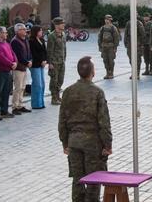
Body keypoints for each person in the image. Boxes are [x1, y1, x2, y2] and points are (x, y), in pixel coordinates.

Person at [58, 57, 113, 202]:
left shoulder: (68, 92)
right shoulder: (97, 92)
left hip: (74, 142)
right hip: (93, 144)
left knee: (77, 180)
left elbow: (62, 121)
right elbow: (104, 122)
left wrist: (65, 143)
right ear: (92, 72)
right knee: (94, 181)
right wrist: (107, 145)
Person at [0, 27, 16, 118]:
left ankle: (4, 111)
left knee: (6, 91)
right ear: (0, 33)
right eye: (5, 32)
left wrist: (15, 62)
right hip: (1, 71)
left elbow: (13, 53)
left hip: (8, 71)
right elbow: (0, 57)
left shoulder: (6, 43)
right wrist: (11, 64)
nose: (7, 34)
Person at [10, 23, 32, 114]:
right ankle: (15, 106)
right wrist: (27, 62)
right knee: (18, 87)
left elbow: (28, 52)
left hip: (24, 67)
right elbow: (18, 56)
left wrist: (30, 60)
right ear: (17, 31)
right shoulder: (15, 41)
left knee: (23, 87)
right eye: (23, 29)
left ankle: (20, 104)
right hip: (18, 67)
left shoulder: (25, 39)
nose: (25, 30)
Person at [47, 17, 68, 105]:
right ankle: (54, 98)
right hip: (54, 62)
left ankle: (58, 96)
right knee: (54, 80)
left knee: (60, 79)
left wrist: (64, 58)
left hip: (61, 61)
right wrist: (50, 63)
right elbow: (49, 50)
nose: (63, 25)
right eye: (61, 23)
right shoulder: (51, 36)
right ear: (56, 25)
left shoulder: (63, 34)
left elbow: (64, 48)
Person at [96, 15, 121, 79]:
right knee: (105, 60)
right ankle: (107, 72)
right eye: (105, 19)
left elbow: (116, 38)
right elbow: (100, 38)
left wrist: (115, 47)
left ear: (110, 20)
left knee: (111, 60)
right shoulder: (103, 28)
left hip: (111, 47)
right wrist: (100, 46)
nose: (106, 20)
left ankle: (111, 73)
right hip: (104, 46)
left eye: (108, 19)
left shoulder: (113, 28)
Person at [28, 26, 47, 109]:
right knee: (37, 84)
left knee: (42, 84)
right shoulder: (31, 41)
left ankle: (41, 102)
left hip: (42, 64)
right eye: (40, 31)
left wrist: (45, 60)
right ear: (35, 32)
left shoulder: (42, 40)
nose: (41, 32)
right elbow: (34, 54)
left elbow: (45, 51)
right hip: (35, 64)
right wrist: (41, 61)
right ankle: (36, 104)